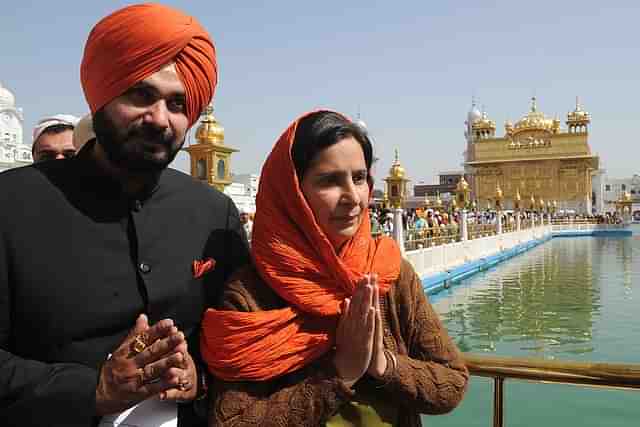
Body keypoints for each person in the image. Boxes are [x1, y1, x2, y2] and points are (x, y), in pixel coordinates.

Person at [0, 4, 248, 427]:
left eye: (177, 103)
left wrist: (199, 379)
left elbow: (240, 344)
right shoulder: (11, 205)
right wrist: (93, 389)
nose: (159, 119)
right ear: (102, 94)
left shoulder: (213, 215)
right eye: (141, 95)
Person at [202, 111, 468, 426]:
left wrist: (383, 364)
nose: (353, 197)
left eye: (359, 178)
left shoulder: (388, 272)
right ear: (292, 193)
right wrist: (340, 371)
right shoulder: (251, 294)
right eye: (329, 181)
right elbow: (231, 421)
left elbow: (451, 383)